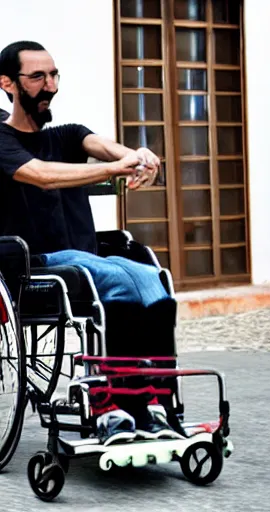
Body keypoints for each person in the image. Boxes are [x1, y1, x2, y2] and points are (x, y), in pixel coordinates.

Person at [0, 41, 181, 445]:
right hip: (35, 261)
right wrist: (115, 168)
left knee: (151, 278)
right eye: (37, 77)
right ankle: (107, 404)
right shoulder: (2, 140)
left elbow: (102, 146)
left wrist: (138, 156)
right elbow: (43, 174)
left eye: (53, 75)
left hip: (82, 257)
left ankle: (152, 400)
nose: (50, 86)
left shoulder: (68, 134)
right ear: (8, 83)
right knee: (116, 278)